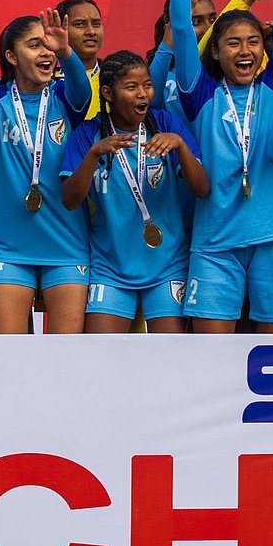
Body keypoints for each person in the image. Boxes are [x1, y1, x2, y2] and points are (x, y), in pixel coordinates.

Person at [168, 0, 273, 333]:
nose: (245, 51)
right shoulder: (199, 92)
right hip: (214, 243)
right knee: (209, 359)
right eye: (232, 43)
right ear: (216, 53)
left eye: (253, 43)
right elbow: (181, 31)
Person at [61, 50, 209, 333]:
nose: (143, 94)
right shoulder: (89, 134)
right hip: (110, 266)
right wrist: (93, 155)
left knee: (168, 361)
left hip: (168, 265)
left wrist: (179, 145)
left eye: (147, 85)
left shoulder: (165, 125)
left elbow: (201, 188)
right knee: (102, 360)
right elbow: (69, 200)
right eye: (131, 87)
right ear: (108, 92)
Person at [0, 11, 92, 333]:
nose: (46, 52)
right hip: (8, 248)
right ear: (11, 56)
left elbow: (83, 90)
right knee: (8, 359)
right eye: (35, 45)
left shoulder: (64, 98)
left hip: (67, 246)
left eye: (48, 44)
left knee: (66, 359)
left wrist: (66, 51)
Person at [56, 0, 105, 117]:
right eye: (80, 24)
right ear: (60, 29)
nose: (91, 31)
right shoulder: (46, 80)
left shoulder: (116, 79)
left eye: (96, 24)